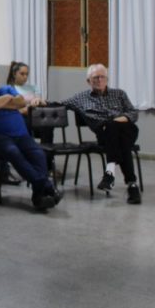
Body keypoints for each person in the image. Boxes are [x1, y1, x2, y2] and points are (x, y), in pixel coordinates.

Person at [0, 56, 61, 212]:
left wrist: (3, 102)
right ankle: (46, 186)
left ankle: (39, 197)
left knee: (38, 153)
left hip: (21, 135)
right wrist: (7, 100)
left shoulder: (7, 88)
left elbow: (20, 102)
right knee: (12, 152)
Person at [61, 64, 142, 204]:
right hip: (104, 135)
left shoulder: (119, 94)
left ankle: (109, 173)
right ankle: (132, 185)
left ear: (107, 79)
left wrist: (116, 121)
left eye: (102, 77)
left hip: (127, 129)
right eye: (95, 78)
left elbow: (133, 113)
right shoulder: (81, 98)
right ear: (88, 81)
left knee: (113, 125)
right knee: (123, 145)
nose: (99, 80)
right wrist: (40, 101)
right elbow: (59, 104)